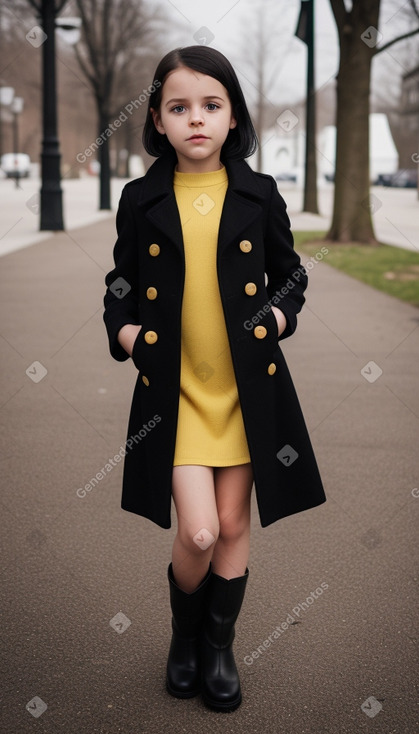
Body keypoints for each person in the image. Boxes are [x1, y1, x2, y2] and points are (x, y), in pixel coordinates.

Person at [103, 45, 326, 713]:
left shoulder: (259, 194)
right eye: (179, 107)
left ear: (232, 118)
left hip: (246, 395)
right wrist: (127, 333)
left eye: (210, 105)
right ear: (156, 120)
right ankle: (183, 637)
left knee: (231, 525)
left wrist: (279, 320)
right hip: (174, 398)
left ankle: (218, 647)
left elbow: (292, 275)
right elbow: (120, 286)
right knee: (197, 531)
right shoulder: (141, 199)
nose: (195, 119)